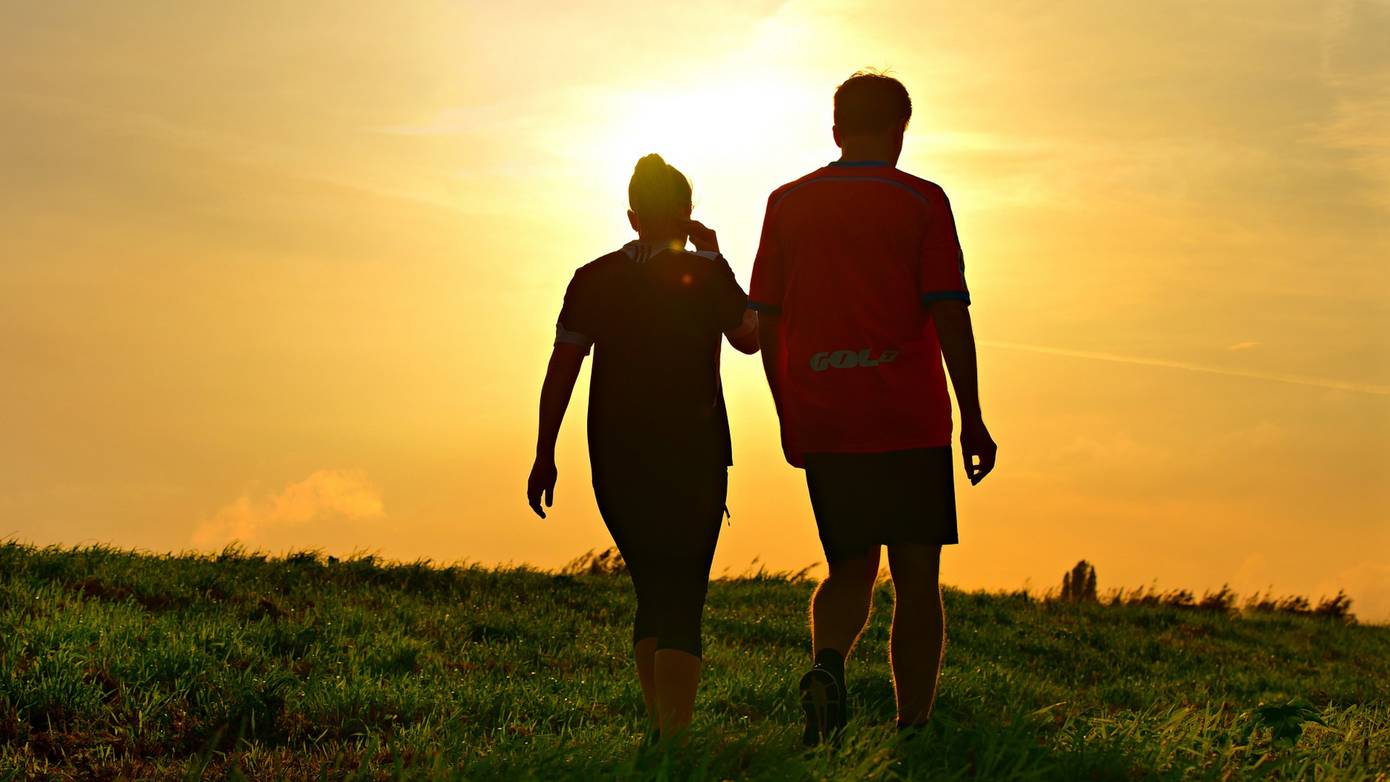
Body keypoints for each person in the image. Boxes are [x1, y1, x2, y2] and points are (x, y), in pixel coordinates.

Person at [748, 71, 998, 745]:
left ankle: (829, 664)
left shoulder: (787, 203)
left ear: (836, 130)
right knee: (917, 578)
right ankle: (912, 726)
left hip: (826, 414)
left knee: (849, 567)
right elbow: (949, 313)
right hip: (908, 418)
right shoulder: (922, 202)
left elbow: (765, 322)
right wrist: (972, 415)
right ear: (900, 131)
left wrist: (786, 408)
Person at [527, 154, 758, 740]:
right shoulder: (706, 274)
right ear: (687, 215)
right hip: (695, 451)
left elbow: (563, 367)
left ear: (632, 218)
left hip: (613, 453)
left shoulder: (594, 277)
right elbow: (750, 338)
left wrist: (544, 452)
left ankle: (660, 732)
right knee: (684, 592)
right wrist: (717, 257)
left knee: (653, 587)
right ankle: (672, 742)